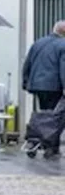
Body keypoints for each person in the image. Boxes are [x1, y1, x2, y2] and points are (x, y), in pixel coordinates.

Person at [23, 21, 65, 158]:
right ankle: (51, 147)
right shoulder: (63, 45)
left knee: (45, 114)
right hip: (54, 86)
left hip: (37, 85)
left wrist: (25, 81)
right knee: (55, 117)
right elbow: (63, 68)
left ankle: (36, 141)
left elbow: (27, 63)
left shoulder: (38, 43)